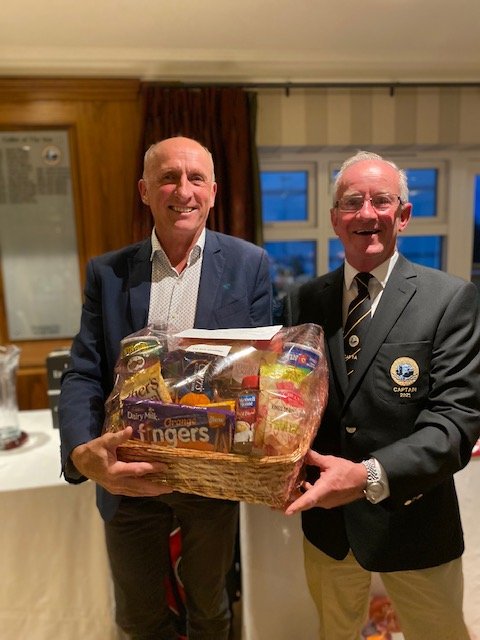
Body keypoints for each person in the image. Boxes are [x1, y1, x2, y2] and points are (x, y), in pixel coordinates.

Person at [59, 136, 272, 640]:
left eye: (196, 178)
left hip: (210, 480)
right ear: (144, 191)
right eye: (168, 178)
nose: (184, 190)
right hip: (128, 474)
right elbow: (85, 370)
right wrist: (80, 451)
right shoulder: (108, 273)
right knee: (139, 618)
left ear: (213, 191)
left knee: (211, 611)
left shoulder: (249, 265)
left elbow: (261, 370)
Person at [283, 150, 480, 640]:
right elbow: (290, 403)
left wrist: (368, 475)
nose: (366, 213)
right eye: (352, 202)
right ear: (335, 219)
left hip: (415, 524)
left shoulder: (449, 299)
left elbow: (454, 424)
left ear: (404, 215)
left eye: (381, 201)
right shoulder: (303, 301)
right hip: (330, 529)